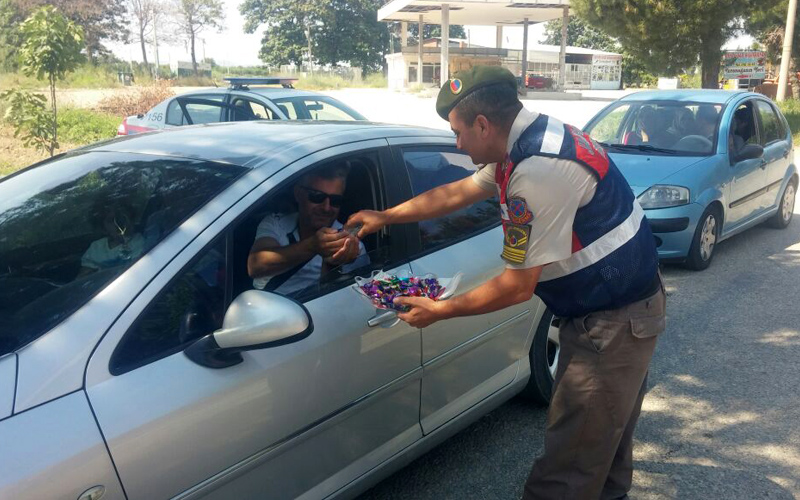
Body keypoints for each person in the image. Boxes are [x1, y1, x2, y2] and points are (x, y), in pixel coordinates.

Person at [346, 66, 665, 500]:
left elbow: (516, 287)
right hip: (621, 311)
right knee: (602, 452)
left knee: (567, 472)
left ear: (483, 124)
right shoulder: (529, 139)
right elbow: (458, 192)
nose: (456, 144)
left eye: (458, 132)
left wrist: (442, 310)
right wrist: (386, 216)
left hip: (612, 323)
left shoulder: (536, 172)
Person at [248, 162, 369, 296]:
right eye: (317, 196)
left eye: (335, 200)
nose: (326, 207)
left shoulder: (351, 243)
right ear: (298, 194)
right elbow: (256, 266)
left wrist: (334, 263)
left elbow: (345, 299)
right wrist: (313, 246)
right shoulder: (277, 223)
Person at [80, 202, 146, 275]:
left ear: (131, 220)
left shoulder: (139, 242)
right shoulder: (96, 247)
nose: (117, 224)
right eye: (111, 220)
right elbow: (84, 276)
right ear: (103, 228)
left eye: (121, 218)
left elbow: (136, 271)